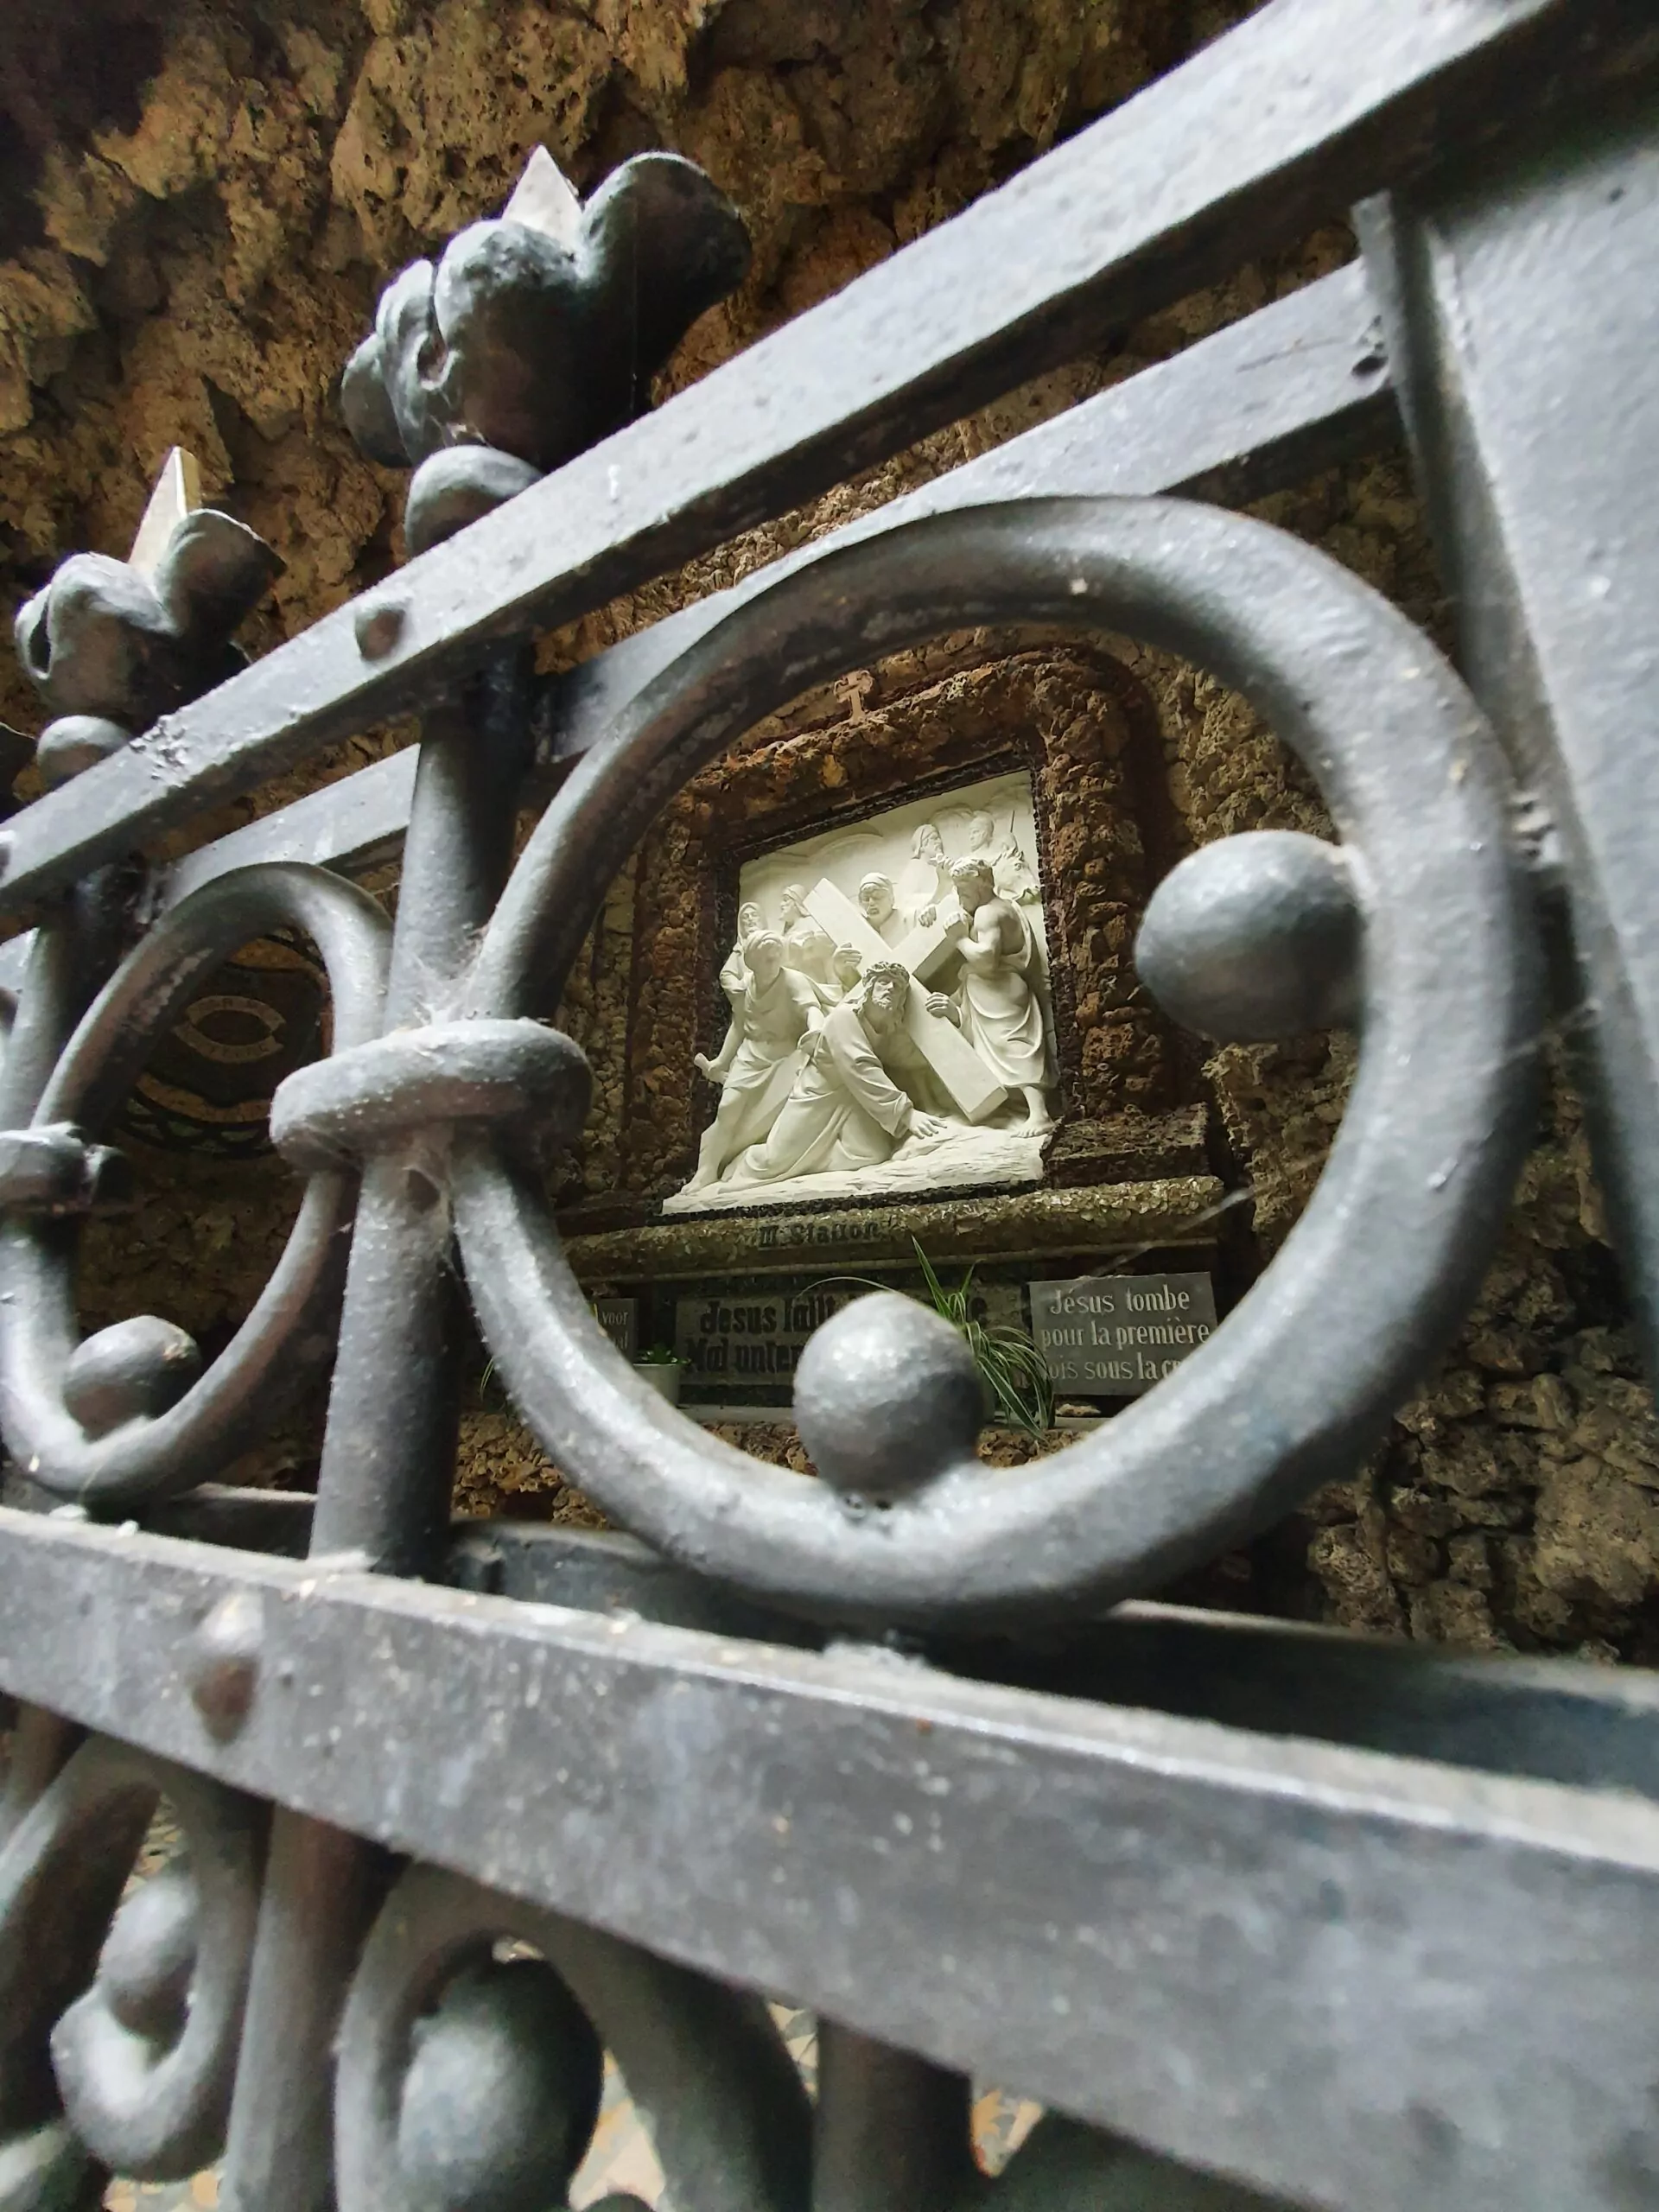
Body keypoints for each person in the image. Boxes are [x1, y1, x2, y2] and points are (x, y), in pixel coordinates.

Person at [724, 961, 950, 1188]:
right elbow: (860, 1066)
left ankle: (813, 1168)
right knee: (773, 1161)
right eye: (884, 982)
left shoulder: (887, 1029)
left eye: (898, 987)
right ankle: (741, 1164)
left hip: (853, 1100)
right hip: (818, 1097)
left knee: (871, 1153)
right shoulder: (843, 1017)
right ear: (869, 988)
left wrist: (955, 1018)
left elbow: (909, 1057)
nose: (891, 988)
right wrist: (906, 1115)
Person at [926, 857, 1054, 1132]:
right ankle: (1022, 1110)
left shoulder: (988, 913)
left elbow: (985, 959)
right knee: (1002, 1048)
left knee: (1013, 1047)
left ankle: (1040, 1114)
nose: (959, 898)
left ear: (982, 886)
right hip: (994, 991)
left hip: (1000, 991)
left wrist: (959, 937)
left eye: (963, 891)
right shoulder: (1003, 907)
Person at [684, 932, 821, 1188]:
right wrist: (721, 1062)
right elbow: (739, 1026)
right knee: (727, 1109)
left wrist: (815, 1031)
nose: (773, 962)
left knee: (780, 1110)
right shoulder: (746, 986)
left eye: (776, 957)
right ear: (753, 962)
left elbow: (811, 1009)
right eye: (767, 959)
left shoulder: (792, 980)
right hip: (751, 1055)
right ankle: (706, 1170)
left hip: (784, 1055)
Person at [700, 899, 764, 1081]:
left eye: (753, 916)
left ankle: (722, 1065)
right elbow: (726, 974)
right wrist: (739, 986)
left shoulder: (772, 942)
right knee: (740, 1017)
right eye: (745, 918)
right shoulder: (739, 951)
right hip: (747, 1000)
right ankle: (720, 1063)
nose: (749, 920)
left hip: (769, 997)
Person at [965, 807, 1039, 905]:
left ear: (985, 832)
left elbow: (1017, 872)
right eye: (970, 833)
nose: (971, 837)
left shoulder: (1002, 856)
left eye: (975, 832)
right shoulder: (968, 863)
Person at [855, 872, 908, 947]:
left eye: (877, 896)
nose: (871, 903)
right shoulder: (859, 931)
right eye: (865, 898)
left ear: (891, 899)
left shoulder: (910, 920)